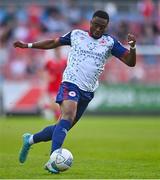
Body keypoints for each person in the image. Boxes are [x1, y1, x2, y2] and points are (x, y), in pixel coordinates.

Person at [13, 10, 136, 174]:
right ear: (90, 22)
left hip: (88, 90)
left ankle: (30, 139)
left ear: (106, 27)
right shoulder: (77, 34)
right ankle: (53, 160)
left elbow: (130, 62)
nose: (98, 29)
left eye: (102, 27)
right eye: (96, 25)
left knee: (61, 126)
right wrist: (28, 45)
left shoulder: (110, 42)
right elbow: (53, 42)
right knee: (68, 115)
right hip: (70, 82)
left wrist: (133, 47)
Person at [41, 47, 66, 121]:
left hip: (61, 86)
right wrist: (47, 78)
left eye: (59, 50)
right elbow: (43, 72)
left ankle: (47, 107)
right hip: (52, 86)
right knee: (55, 105)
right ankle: (55, 115)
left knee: (59, 105)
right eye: (56, 50)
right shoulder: (49, 62)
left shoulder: (64, 61)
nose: (57, 52)